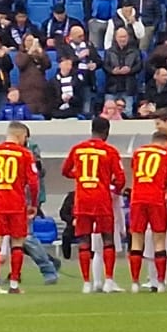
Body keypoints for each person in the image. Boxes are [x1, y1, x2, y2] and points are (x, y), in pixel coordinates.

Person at [62, 116, 127, 293]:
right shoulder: (109, 151)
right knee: (107, 239)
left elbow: (65, 170)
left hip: (82, 198)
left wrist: (80, 177)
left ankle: (86, 283)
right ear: (106, 132)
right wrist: (113, 188)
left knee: (84, 240)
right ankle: (108, 281)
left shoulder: (77, 149)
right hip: (101, 198)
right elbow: (121, 178)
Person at [126, 110, 167, 292]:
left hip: (137, 198)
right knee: (160, 240)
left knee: (137, 240)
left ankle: (135, 283)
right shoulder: (166, 154)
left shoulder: (138, 152)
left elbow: (135, 174)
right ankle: (160, 283)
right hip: (157, 199)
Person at [0, 122, 40, 294]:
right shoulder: (25, 154)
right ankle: (14, 284)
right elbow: (34, 183)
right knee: (17, 244)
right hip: (16, 204)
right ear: (20, 136)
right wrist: (33, 203)